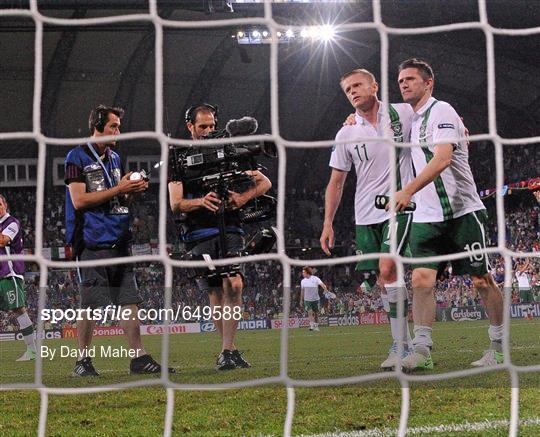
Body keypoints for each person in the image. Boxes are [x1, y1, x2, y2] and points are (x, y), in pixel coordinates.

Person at [392, 58, 504, 370]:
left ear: (428, 83)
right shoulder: (413, 120)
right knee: (421, 280)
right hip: (427, 217)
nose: (403, 84)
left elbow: (442, 159)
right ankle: (422, 349)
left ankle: (498, 348)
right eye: (400, 80)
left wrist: (408, 191)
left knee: (481, 280)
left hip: (461, 212)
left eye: (411, 79)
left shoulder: (441, 110)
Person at [65, 104, 174, 376]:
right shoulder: (76, 156)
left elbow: (118, 198)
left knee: (129, 300)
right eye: (113, 126)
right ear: (97, 126)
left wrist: (131, 191)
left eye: (119, 126)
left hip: (118, 239)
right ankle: (82, 361)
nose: (118, 131)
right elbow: (78, 201)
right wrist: (120, 187)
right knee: (90, 303)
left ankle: (139, 357)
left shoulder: (114, 157)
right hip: (90, 240)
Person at [319, 68, 414, 370]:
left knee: (388, 269)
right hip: (364, 214)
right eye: (348, 90)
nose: (353, 92)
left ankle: (401, 344)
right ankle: (404, 341)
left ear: (374, 85)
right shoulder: (346, 133)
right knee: (383, 280)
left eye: (357, 85)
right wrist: (327, 222)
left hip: (398, 207)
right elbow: (336, 182)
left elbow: (432, 117)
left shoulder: (402, 114)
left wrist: (458, 127)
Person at [168, 103, 272, 370]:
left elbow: (264, 182)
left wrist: (242, 197)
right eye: (203, 126)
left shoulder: (230, 149)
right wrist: (202, 201)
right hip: (198, 231)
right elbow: (176, 203)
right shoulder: (178, 156)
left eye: (212, 126)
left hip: (231, 226)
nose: (208, 131)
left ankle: (227, 349)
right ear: (189, 126)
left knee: (234, 285)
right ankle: (229, 350)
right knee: (215, 292)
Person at [0, 194, 37, 362]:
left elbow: (3, 240)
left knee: (18, 309)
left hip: (10, 274)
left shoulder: (11, 223)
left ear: (5, 205)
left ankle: (32, 350)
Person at [300, 267, 329, 331]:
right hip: (307, 300)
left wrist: (325, 289)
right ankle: (311, 325)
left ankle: (316, 326)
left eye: (303, 272)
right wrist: (301, 300)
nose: (302, 273)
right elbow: (302, 291)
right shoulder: (303, 281)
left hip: (315, 299)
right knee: (310, 312)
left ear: (307, 272)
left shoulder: (315, 278)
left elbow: (322, 284)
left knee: (316, 314)